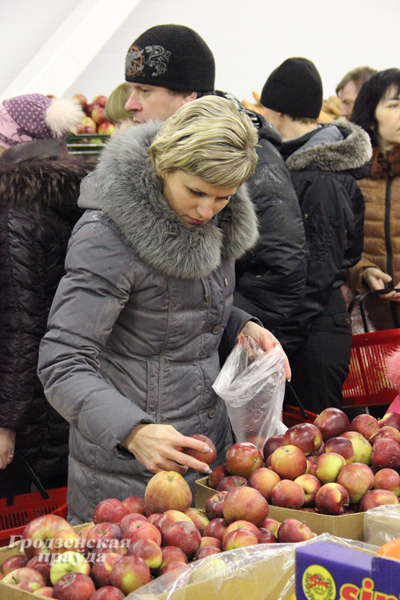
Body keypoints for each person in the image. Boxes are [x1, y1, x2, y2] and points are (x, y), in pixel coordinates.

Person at [38, 96, 290, 524]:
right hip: (125, 475)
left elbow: (180, 305)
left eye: (223, 198)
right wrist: (133, 432)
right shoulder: (108, 236)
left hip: (202, 458)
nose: (207, 211)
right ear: (161, 164)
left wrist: (242, 324)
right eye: (195, 192)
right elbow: (62, 361)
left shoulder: (214, 221)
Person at [123, 24, 307, 333]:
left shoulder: (242, 158)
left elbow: (281, 271)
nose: (130, 104)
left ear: (187, 96)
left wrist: (222, 330)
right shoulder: (167, 156)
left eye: (145, 90)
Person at [260, 58, 372, 414]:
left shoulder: (320, 176)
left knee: (316, 444)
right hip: (306, 327)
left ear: (278, 111)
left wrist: (281, 337)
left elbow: (317, 271)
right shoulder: (298, 163)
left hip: (314, 334)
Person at [0, 93, 92, 498]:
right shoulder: (73, 196)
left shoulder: (15, 212)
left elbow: (20, 325)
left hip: (27, 408)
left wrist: (7, 420)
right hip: (60, 392)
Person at [348, 69, 400, 331]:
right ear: (371, 116)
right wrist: (364, 271)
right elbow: (339, 246)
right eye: (394, 104)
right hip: (371, 324)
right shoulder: (351, 176)